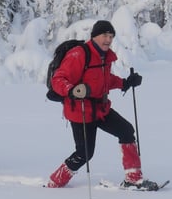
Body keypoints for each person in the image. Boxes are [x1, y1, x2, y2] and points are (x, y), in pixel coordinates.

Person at [46, 20, 158, 190]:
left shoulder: (104, 57)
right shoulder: (79, 54)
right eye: (104, 35)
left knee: (126, 131)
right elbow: (58, 79)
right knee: (84, 153)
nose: (108, 39)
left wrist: (125, 83)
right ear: (95, 36)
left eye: (111, 36)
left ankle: (133, 179)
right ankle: (55, 181)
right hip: (81, 111)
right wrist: (72, 90)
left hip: (101, 109)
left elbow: (104, 81)